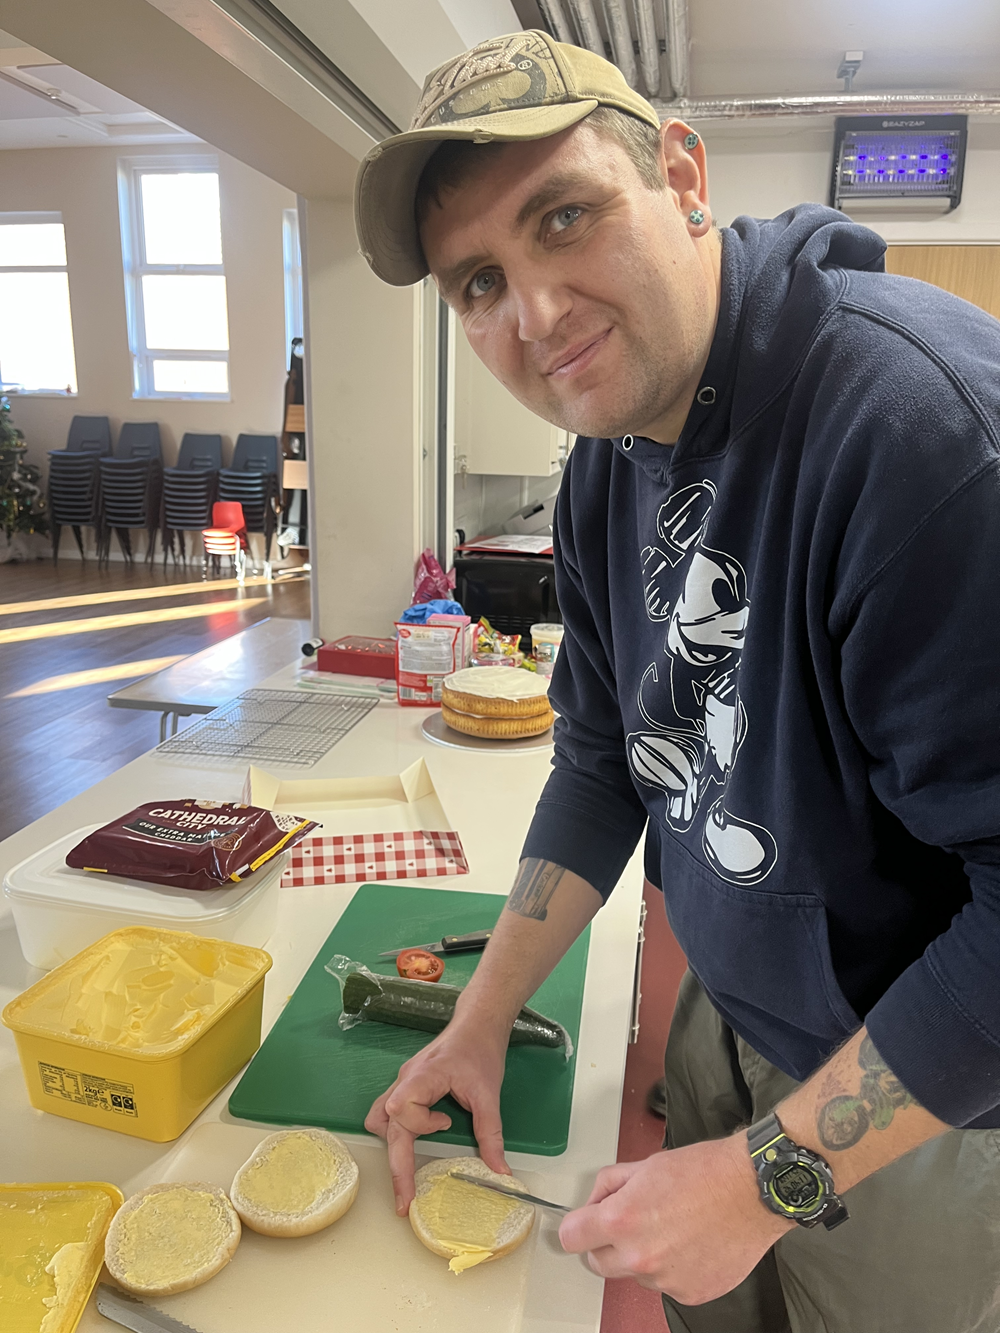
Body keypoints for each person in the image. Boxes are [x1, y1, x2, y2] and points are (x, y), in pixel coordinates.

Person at [354, 28, 1000, 1333]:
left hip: (927, 1104)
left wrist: (777, 1173)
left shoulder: (918, 437)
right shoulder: (602, 465)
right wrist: (481, 1018)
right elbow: (605, 757)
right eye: (477, 281)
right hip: (731, 1014)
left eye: (565, 217)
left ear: (687, 178)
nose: (534, 315)